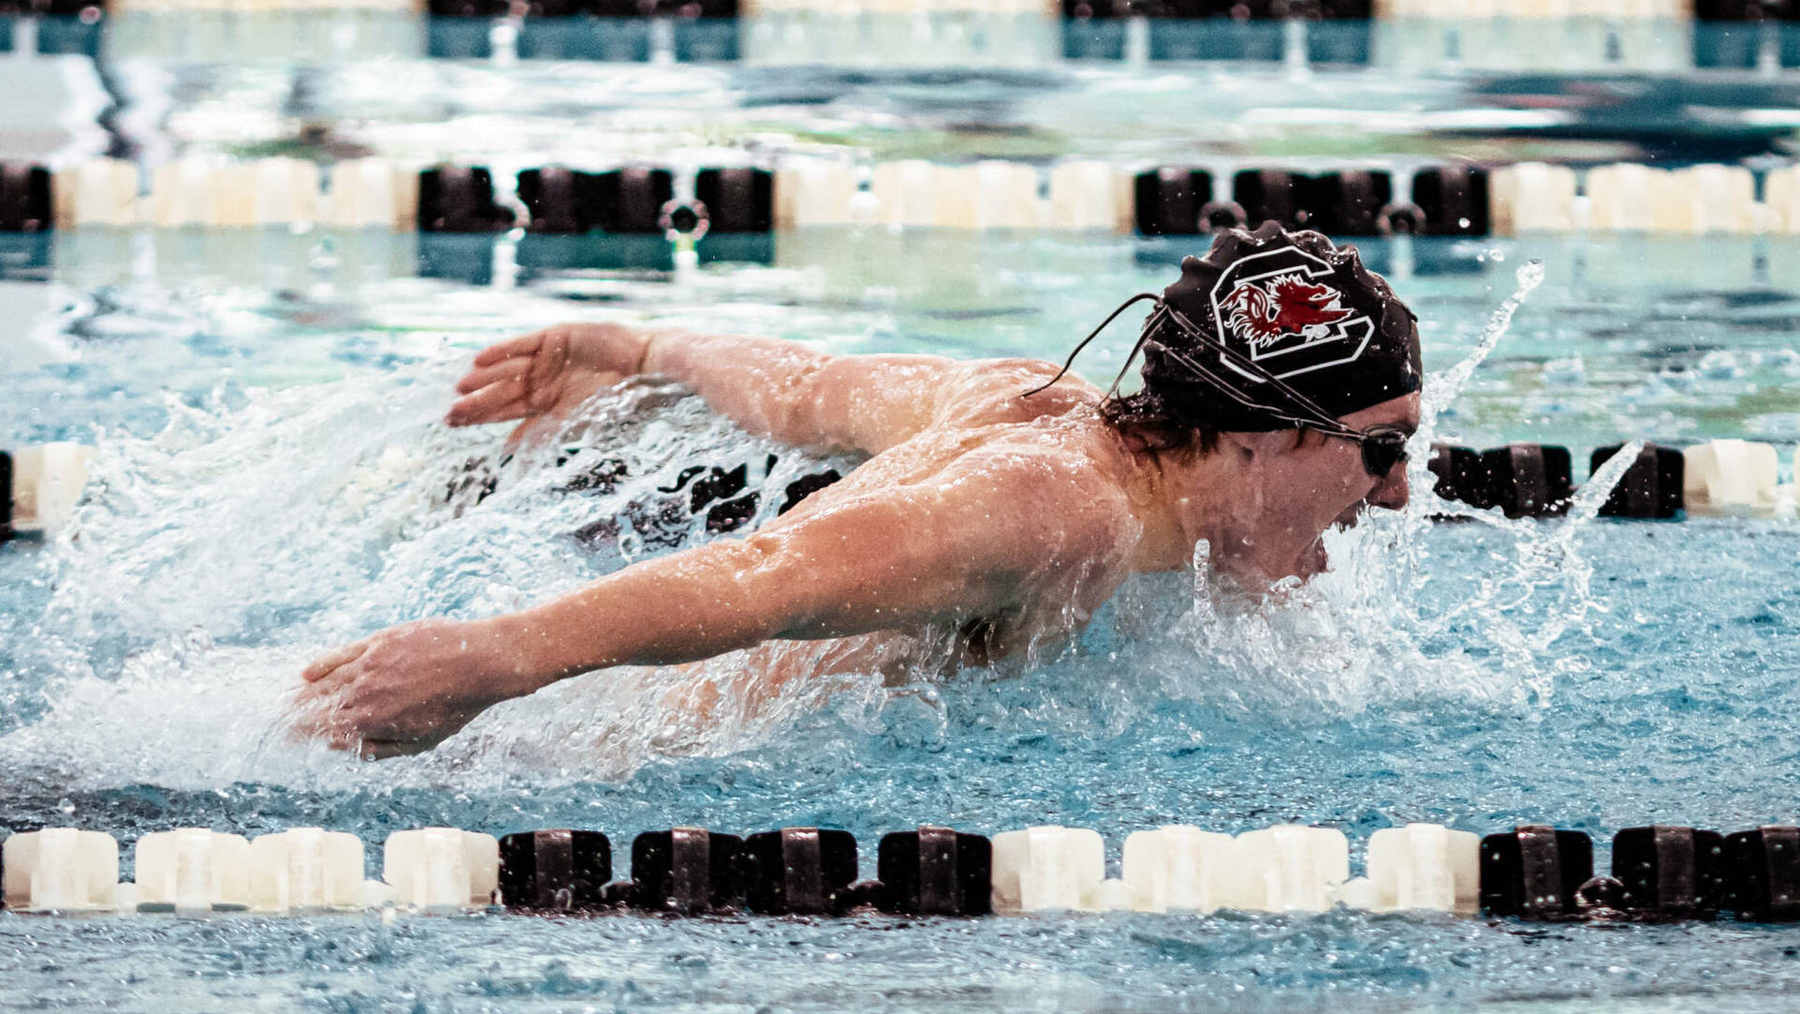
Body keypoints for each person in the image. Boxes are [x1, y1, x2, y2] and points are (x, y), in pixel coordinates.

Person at [295, 222, 1423, 759]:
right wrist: (498, 658)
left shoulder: (1036, 398)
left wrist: (644, 349)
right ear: (1266, 435)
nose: (1399, 495)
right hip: (573, 757)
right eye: (1381, 451)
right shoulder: (1060, 512)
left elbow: (804, 389)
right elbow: (769, 574)